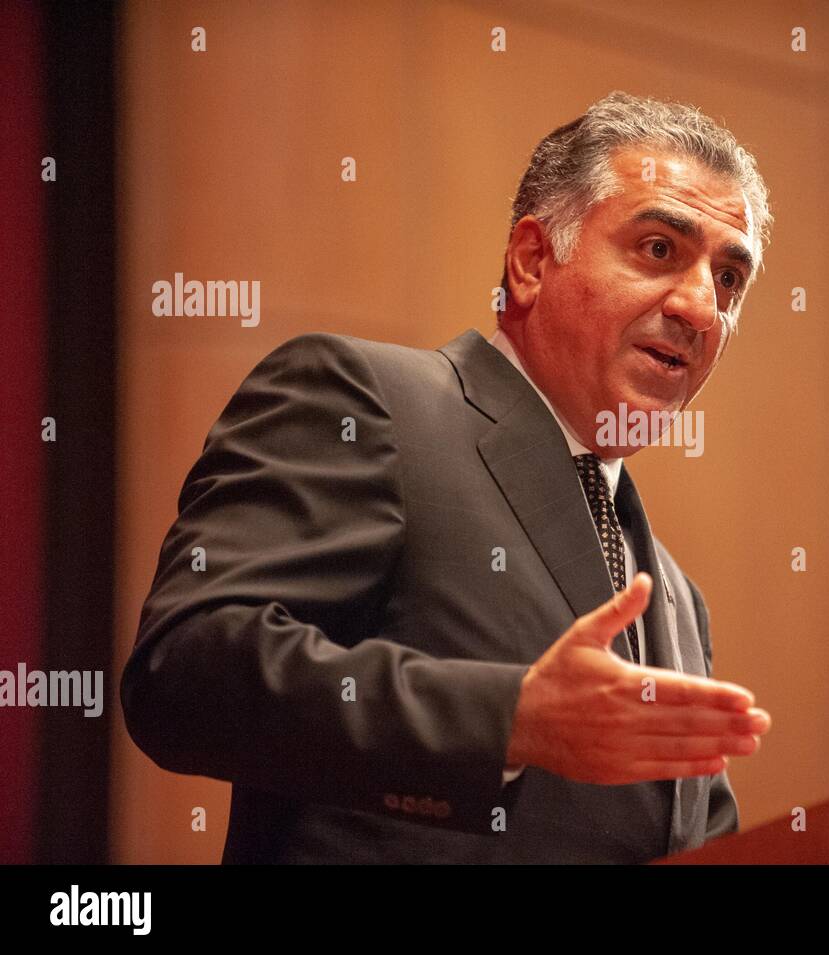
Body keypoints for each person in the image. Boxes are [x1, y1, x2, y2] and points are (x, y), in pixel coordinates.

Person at [120, 90, 774, 863]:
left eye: (730, 279)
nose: (703, 308)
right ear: (532, 261)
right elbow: (189, 669)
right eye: (661, 248)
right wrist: (508, 720)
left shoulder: (675, 595)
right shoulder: (369, 400)